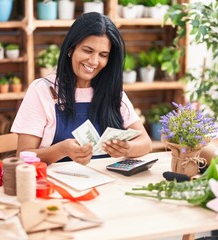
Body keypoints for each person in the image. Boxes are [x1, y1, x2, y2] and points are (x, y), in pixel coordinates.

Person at [11, 12, 152, 165]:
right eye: (87, 50)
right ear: (71, 49)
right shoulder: (42, 90)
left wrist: (127, 148)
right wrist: (62, 150)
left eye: (103, 55)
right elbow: (22, 156)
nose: (94, 61)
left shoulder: (112, 91)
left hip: (107, 183)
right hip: (56, 185)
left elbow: (146, 143)